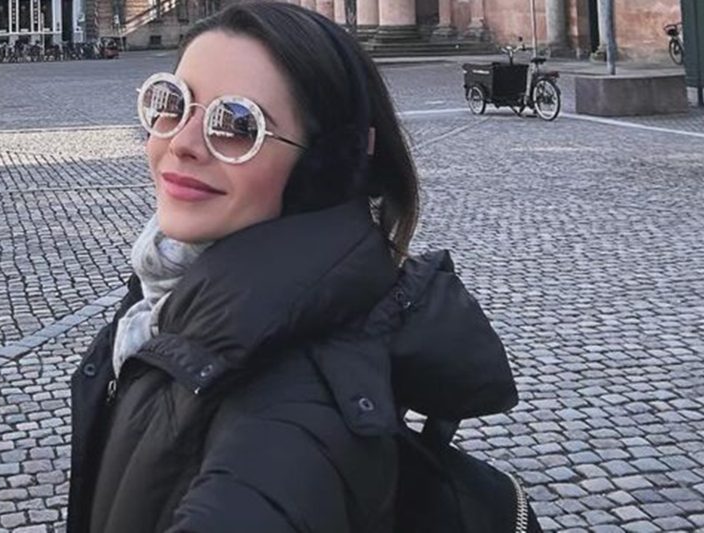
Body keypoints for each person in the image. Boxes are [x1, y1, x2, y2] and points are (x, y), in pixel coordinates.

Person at [68, 3, 521, 532]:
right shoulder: (170, 295)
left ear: (322, 169)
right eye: (171, 102)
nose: (181, 143)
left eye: (238, 124)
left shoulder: (290, 416)